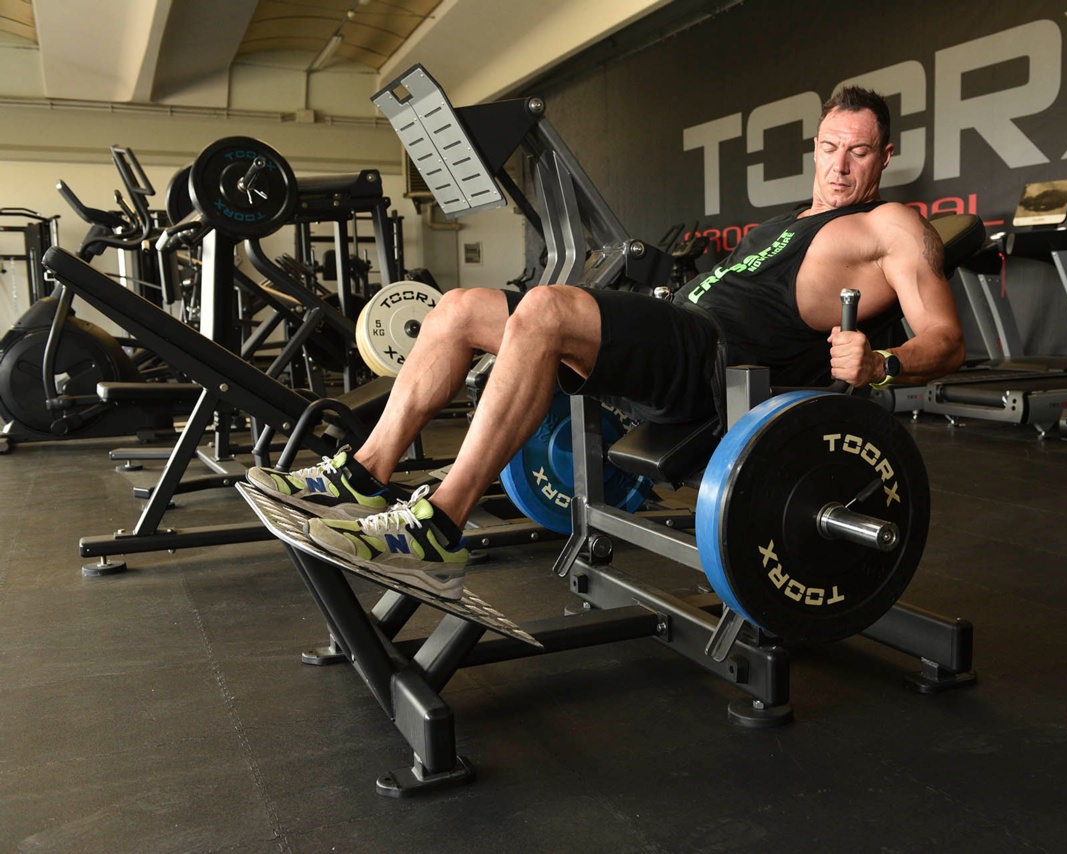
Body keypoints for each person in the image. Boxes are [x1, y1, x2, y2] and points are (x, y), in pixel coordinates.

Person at [247, 85, 965, 600]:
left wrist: (883, 363)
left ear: (884, 157)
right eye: (830, 148)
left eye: (858, 153)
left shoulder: (891, 225)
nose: (839, 166)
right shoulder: (789, 220)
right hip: (674, 336)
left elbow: (945, 340)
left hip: (714, 364)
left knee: (548, 310)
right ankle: (364, 474)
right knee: (458, 309)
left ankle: (439, 523)